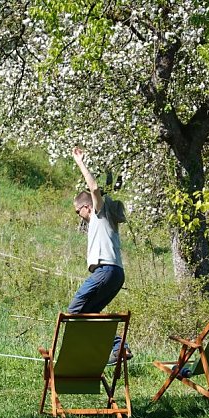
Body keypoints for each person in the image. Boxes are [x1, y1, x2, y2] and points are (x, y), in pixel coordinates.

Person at [68, 147, 132, 365]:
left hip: (105, 270)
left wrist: (80, 162)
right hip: (116, 273)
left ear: (86, 206)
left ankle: (96, 349)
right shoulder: (103, 221)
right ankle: (119, 346)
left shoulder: (99, 212)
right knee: (88, 314)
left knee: (74, 310)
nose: (80, 217)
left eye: (79, 212)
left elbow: (94, 187)